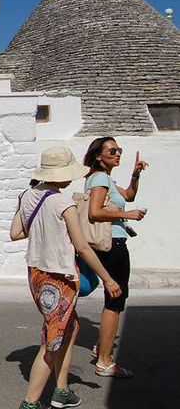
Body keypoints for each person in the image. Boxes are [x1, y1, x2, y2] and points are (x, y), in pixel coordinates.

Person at [10, 146, 123, 409]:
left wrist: (36, 219)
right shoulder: (63, 202)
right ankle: (30, 403)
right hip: (59, 277)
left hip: (37, 274)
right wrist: (107, 278)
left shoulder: (28, 195)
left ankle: (61, 390)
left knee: (70, 329)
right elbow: (82, 246)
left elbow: (16, 232)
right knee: (53, 342)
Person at [83, 137, 148, 378]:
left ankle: (102, 348)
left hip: (111, 243)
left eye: (119, 149)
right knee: (115, 302)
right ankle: (105, 361)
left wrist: (135, 175)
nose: (117, 153)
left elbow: (129, 195)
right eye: (112, 150)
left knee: (114, 299)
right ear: (99, 156)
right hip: (113, 244)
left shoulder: (105, 178)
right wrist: (127, 215)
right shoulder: (100, 178)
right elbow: (95, 211)